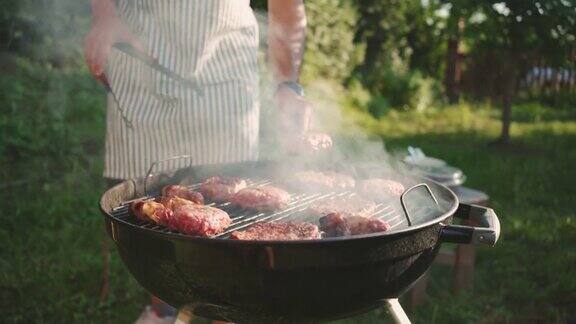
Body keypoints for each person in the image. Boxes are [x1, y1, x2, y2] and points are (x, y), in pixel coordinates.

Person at [84, 0, 314, 322]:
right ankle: (163, 309)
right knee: (146, 213)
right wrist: (105, 15)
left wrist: (288, 86)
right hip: (139, 60)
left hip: (223, 74)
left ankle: (226, 316)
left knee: (230, 232)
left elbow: (286, 4)